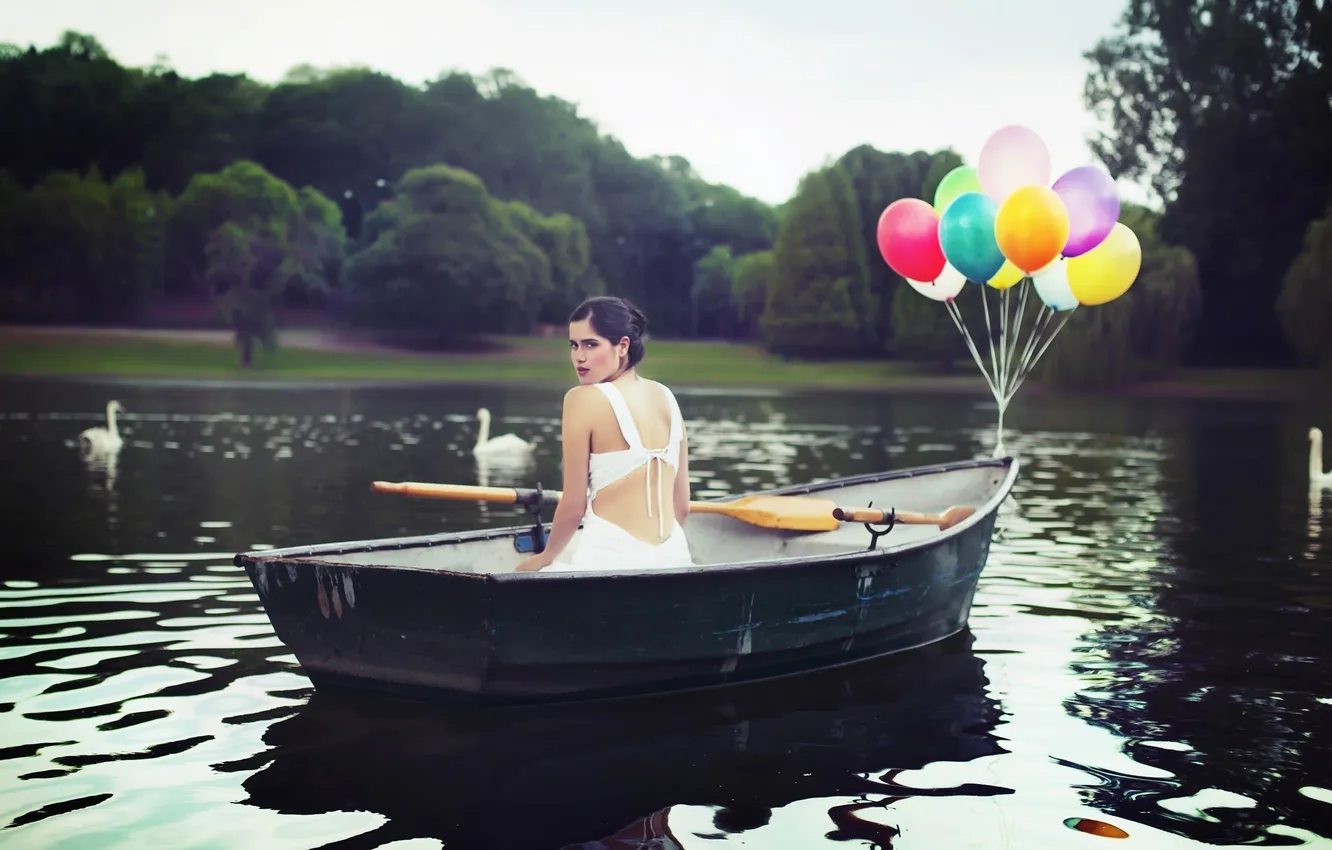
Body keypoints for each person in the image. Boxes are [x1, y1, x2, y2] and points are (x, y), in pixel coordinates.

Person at [514, 296, 693, 572]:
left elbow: (574, 506)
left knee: (522, 573)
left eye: (590, 344)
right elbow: (681, 507)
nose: (579, 357)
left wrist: (545, 557)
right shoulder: (667, 397)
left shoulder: (581, 399)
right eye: (574, 345)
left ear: (623, 346)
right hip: (675, 558)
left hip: (610, 561)